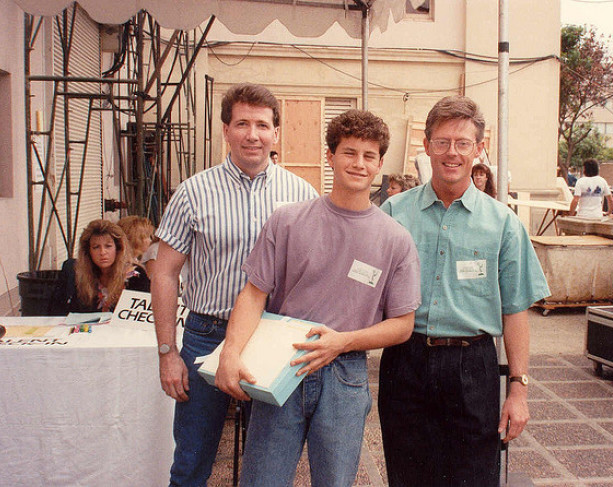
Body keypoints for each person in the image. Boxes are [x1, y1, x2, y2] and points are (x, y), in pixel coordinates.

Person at [215, 109, 421, 487]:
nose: (358, 163)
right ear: (330, 156)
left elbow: (403, 325)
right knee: (262, 480)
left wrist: (343, 342)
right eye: (349, 152)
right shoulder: (287, 221)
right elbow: (253, 294)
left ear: (379, 164)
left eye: (369, 156)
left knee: (335, 481)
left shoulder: (395, 239)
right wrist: (231, 353)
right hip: (281, 364)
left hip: (344, 374)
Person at [151, 83, 318, 486]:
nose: (252, 134)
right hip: (207, 335)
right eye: (242, 123)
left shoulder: (302, 195)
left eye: (262, 124)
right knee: (191, 460)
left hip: (271, 339)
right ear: (225, 130)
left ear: (276, 132)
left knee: (269, 466)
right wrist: (167, 352)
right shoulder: (193, 192)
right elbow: (164, 272)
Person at [378, 95, 550, 487]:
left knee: (473, 477)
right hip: (405, 362)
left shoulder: (503, 224)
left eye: (462, 143)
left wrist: (518, 391)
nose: (451, 153)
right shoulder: (393, 214)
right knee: (407, 476)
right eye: (442, 142)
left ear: (479, 147)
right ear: (426, 146)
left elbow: (515, 310)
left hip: (473, 368)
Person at [49, 219, 150, 315]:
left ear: (118, 248)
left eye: (108, 246)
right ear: (88, 251)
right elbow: (61, 311)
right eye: (96, 247)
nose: (102, 252)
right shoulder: (78, 273)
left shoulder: (136, 275)